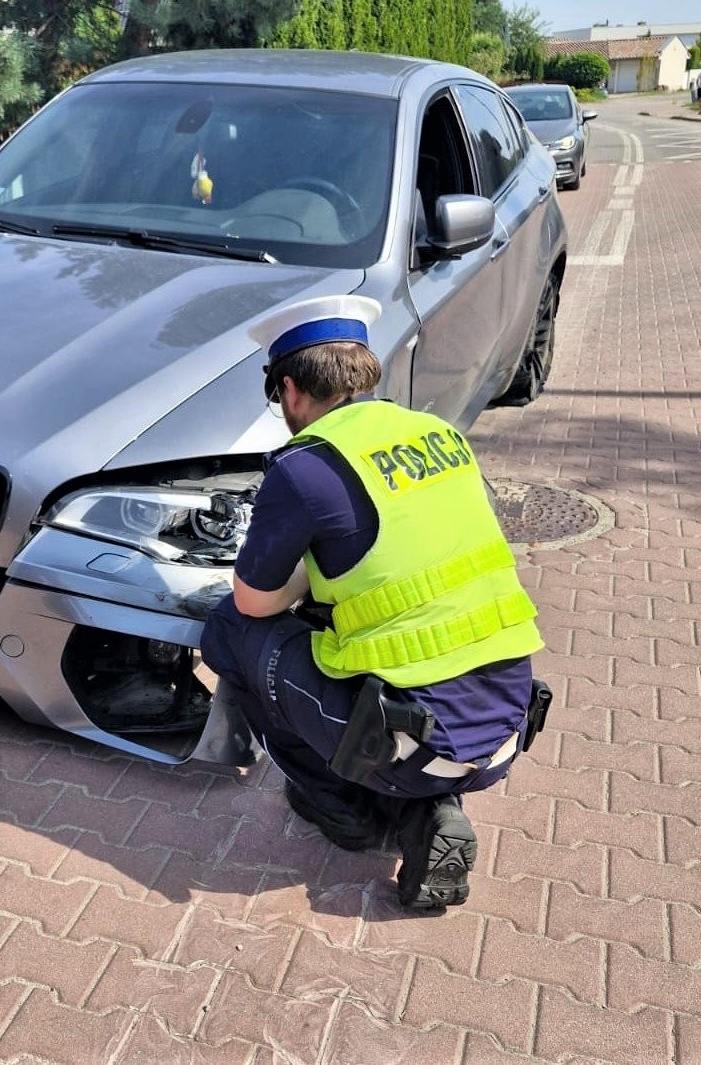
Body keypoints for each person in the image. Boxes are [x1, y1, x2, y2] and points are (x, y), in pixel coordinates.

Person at [201, 295, 546, 910]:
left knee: (230, 632)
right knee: (414, 692)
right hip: (505, 721)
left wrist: (297, 576)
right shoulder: (438, 434)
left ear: (288, 389)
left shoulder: (304, 465)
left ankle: (343, 814)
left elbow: (253, 602)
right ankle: (430, 814)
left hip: (414, 738)